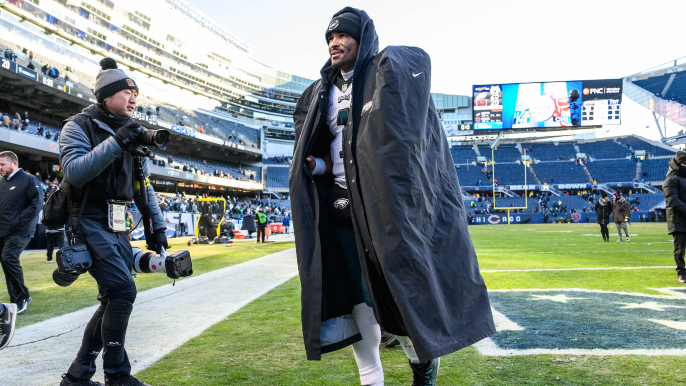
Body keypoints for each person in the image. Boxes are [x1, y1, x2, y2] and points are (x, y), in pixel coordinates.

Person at [290, 8, 494, 386]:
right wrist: (316, 166)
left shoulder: (383, 73)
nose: (335, 43)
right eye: (329, 39)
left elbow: (388, 145)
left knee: (393, 296)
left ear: (362, 37)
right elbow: (335, 152)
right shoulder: (323, 92)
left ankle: (423, 362)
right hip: (337, 211)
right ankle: (371, 378)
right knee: (354, 303)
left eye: (343, 36)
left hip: (378, 211)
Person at [58, 57, 167, 386]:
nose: (134, 98)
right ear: (106, 95)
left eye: (137, 92)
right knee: (122, 290)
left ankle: (78, 377)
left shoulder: (129, 133)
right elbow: (75, 171)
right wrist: (118, 140)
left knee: (112, 297)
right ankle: (118, 376)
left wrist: (157, 228)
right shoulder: (78, 125)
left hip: (117, 222)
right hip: (88, 219)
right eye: (127, 91)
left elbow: (144, 187)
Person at [0, 151, 42, 313]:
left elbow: (36, 204)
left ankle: (22, 297)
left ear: (14, 163)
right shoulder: (1, 182)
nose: (0, 167)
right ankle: (15, 299)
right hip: (2, 230)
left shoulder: (30, 179)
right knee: (6, 262)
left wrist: (18, 220)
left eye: (3, 164)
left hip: (20, 230)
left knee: (8, 258)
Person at [663, 151, 686, 283]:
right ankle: (681, 272)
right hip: (677, 220)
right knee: (679, 249)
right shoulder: (670, 180)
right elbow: (672, 201)